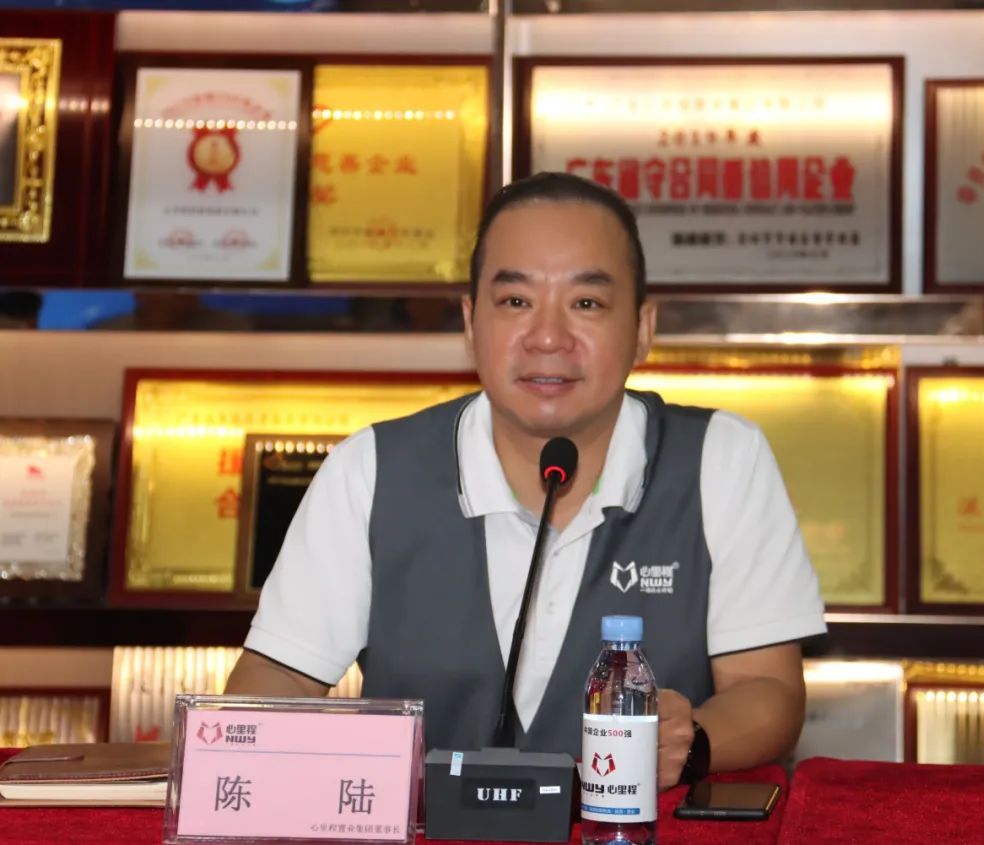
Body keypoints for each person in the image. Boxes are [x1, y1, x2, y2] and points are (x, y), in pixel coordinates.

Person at [226, 172, 826, 789]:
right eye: (515, 302)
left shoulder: (720, 458)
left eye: (586, 303)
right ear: (470, 323)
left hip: (638, 830)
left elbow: (766, 687)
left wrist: (693, 739)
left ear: (643, 329)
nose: (548, 338)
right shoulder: (371, 468)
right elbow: (280, 674)